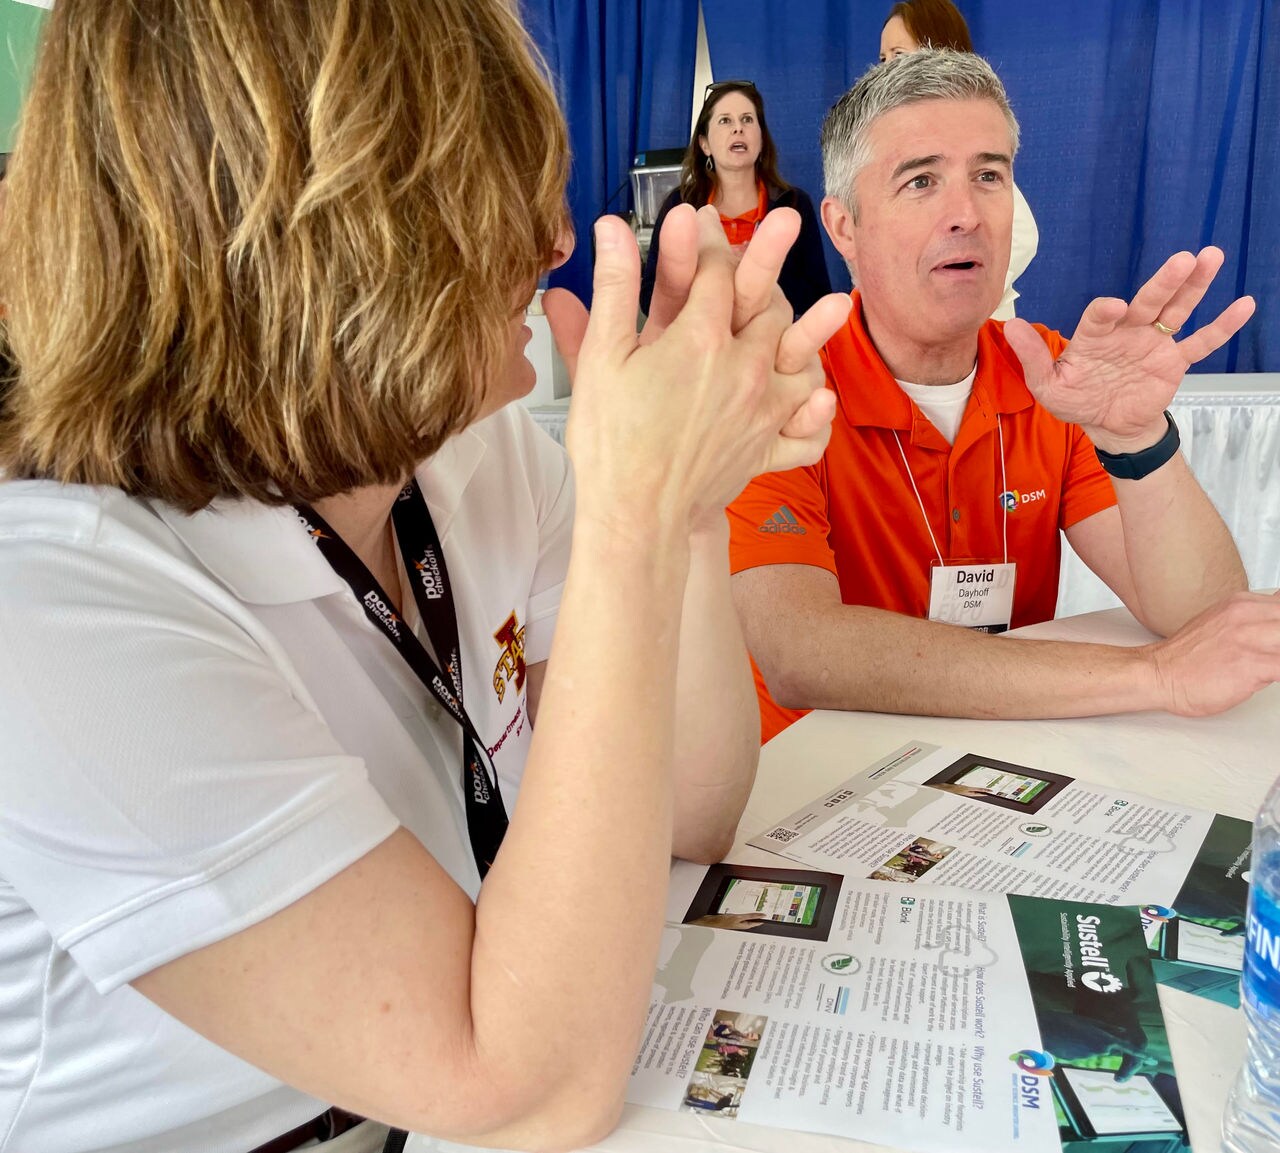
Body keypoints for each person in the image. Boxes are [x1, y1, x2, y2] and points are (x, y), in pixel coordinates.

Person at [0, 3, 850, 1151]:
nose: (555, 241)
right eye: (490, 200)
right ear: (321, 243)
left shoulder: (469, 453)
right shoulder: (50, 609)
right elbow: (530, 1091)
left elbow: (691, 812)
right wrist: (628, 516)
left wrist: (688, 511)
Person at [727, 49, 1280, 743]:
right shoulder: (786, 386)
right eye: (921, 180)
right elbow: (799, 652)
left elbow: (1203, 615)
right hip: (813, 790)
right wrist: (1153, 675)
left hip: (1001, 764)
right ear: (844, 227)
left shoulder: (1050, 373)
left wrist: (1138, 439)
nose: (966, 213)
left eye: (989, 175)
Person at [878, 0, 1038, 320]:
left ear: (938, 51)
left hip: (975, 324)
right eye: (882, 59)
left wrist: (969, 285)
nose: (886, 70)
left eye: (898, 55)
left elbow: (1023, 235)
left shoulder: (969, 131)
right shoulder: (885, 138)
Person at [641, 80, 833, 319]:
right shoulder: (680, 204)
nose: (738, 128)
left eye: (748, 120)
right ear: (705, 144)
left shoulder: (793, 203)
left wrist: (759, 281)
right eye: (725, 120)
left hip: (774, 346)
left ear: (761, 139)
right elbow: (650, 296)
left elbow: (818, 295)